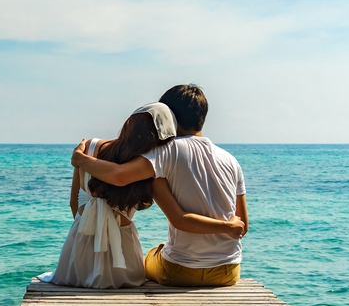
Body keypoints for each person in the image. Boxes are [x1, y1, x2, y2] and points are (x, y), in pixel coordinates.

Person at [70, 84, 247, 287]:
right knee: (162, 249)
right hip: (229, 272)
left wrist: (80, 159)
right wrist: (229, 226)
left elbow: (119, 176)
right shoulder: (231, 160)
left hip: (180, 271)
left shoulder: (166, 151)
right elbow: (243, 226)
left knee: (149, 259)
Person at [41, 103, 175, 288]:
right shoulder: (148, 165)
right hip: (123, 261)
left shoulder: (89, 147)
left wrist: (89, 232)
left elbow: (74, 203)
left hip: (77, 254)